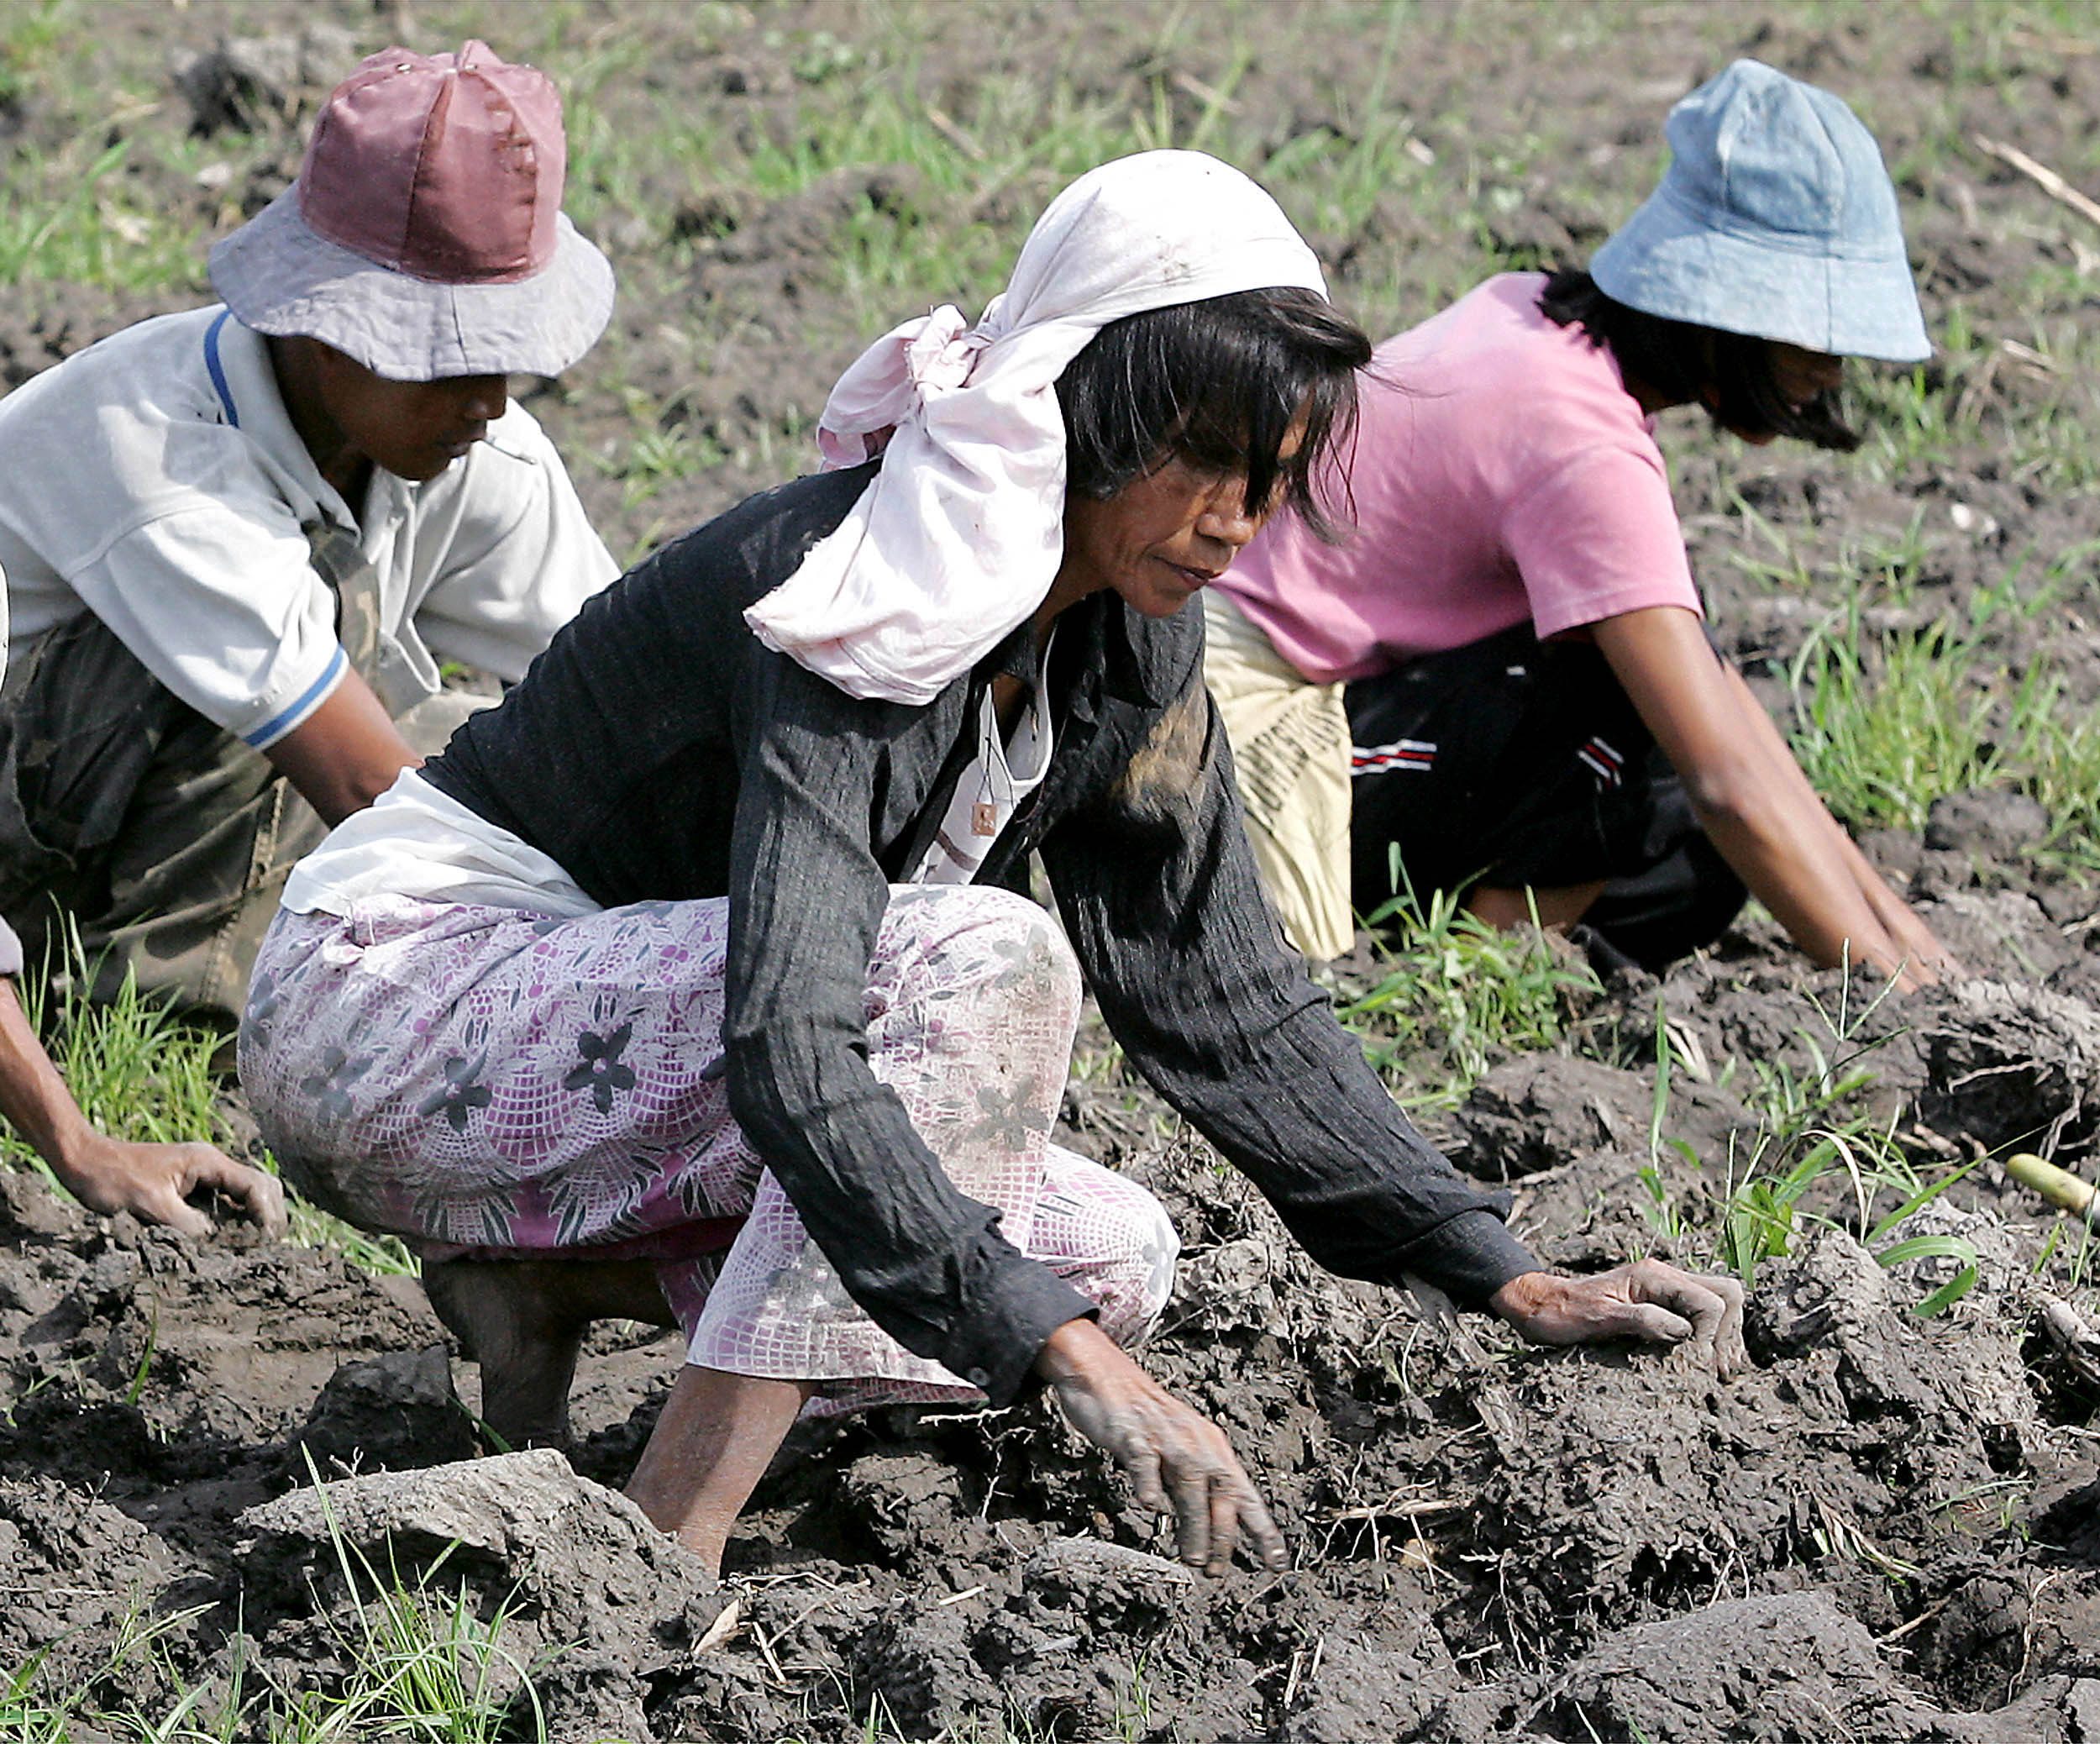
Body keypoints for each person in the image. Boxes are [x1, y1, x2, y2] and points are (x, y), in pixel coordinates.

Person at [240, 150, 1746, 1580]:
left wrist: (1499, 1267)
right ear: (1081, 412)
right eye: (1199, 464)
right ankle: (664, 1538)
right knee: (985, 974)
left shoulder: (1126, 648)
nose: (1234, 525)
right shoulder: (865, 588)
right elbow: (792, 1039)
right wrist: (1060, 1360)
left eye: (1269, 480)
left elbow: (1226, 1005)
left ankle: (546, 1285)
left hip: (602, 1052)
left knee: (1112, 1259)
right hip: (394, 1005)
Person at [1204, 59, 1959, 984]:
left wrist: (1916, 955)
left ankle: (1478, 947)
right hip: (1240, 737)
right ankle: (1461, 978)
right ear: (1725, 316)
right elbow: (1722, 775)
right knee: (1625, 716)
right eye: (1815, 337)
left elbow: (1729, 718)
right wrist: (1889, 996)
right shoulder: (1578, 446)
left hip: (1349, 706)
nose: (1831, 372)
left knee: (1693, 840)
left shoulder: (1535, 317)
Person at [0, 41, 619, 1028]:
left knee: (520, 759)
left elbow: (613, 688)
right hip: (30, 854)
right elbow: (367, 781)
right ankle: (162, 1014)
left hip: (286, 765)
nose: (490, 403)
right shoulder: (160, 458)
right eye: (451, 360)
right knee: (305, 666)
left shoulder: (474, 444)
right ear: (324, 328)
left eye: (509, 362)